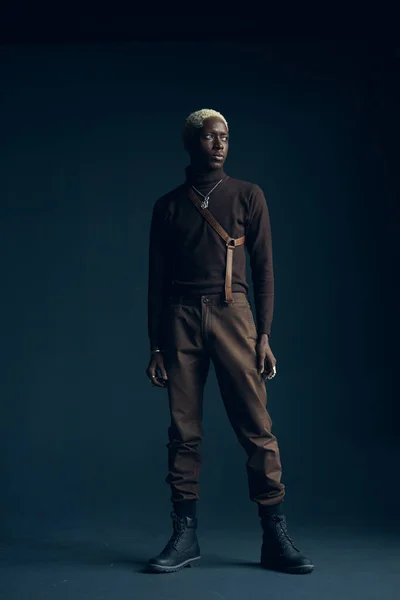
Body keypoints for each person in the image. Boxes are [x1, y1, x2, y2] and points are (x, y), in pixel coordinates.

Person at [145, 108, 314, 575]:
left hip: (235, 317)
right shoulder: (169, 206)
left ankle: (274, 534)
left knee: (257, 428)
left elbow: (264, 271)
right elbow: (155, 281)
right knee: (183, 431)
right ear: (190, 143)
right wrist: (156, 346)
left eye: (224, 137)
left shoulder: (248, 196)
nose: (219, 144)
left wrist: (264, 335)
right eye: (208, 137)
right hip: (179, 318)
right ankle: (185, 534)